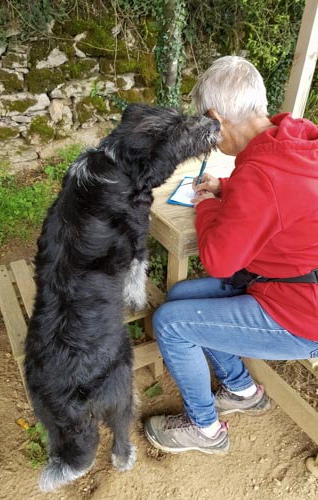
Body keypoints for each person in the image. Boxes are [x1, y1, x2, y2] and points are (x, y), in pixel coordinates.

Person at [144, 55, 318, 455]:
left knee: (171, 323)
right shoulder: (296, 140)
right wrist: (229, 188)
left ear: (215, 118)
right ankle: (242, 390)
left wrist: (205, 201)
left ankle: (204, 430)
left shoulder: (262, 173)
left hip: (302, 315)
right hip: (288, 286)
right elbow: (280, 197)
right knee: (182, 298)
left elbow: (219, 259)